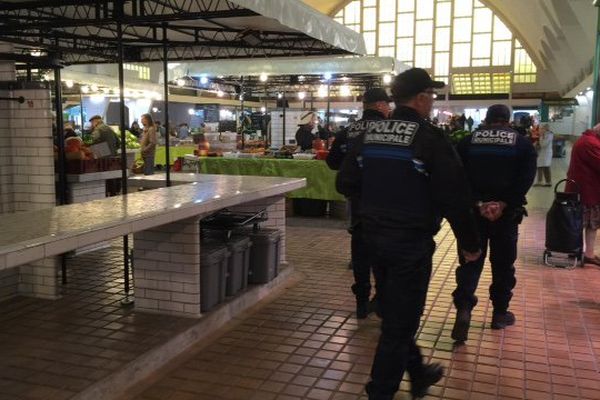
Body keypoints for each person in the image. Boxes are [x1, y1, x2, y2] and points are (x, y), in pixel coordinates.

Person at [337, 68, 481, 400]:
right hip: (409, 244)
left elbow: (344, 182)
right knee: (400, 324)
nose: (432, 102)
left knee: (393, 309)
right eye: (431, 95)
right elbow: (455, 197)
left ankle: (418, 373)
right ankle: (380, 392)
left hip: (372, 237)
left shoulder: (368, 134)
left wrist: (377, 196)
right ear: (420, 98)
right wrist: (470, 244)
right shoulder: (429, 138)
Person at [451, 104, 537, 343]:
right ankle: (499, 314)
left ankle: (464, 309)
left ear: (487, 120)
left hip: (474, 214)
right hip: (505, 216)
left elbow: (457, 177)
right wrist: (503, 204)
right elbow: (526, 179)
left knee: (470, 260)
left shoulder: (468, 142)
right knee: (503, 264)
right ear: (508, 120)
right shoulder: (522, 143)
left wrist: (478, 203)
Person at [327, 87, 391, 319]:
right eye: (388, 105)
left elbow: (333, 163)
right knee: (384, 251)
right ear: (381, 105)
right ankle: (382, 299)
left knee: (360, 249)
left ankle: (361, 301)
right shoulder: (389, 130)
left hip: (357, 200)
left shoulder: (348, 131)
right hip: (385, 202)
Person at [567, 124, 600, 266]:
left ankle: (588, 254)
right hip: (588, 192)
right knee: (585, 224)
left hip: (585, 191)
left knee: (590, 224)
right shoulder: (590, 144)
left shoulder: (586, 140)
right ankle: (577, 253)